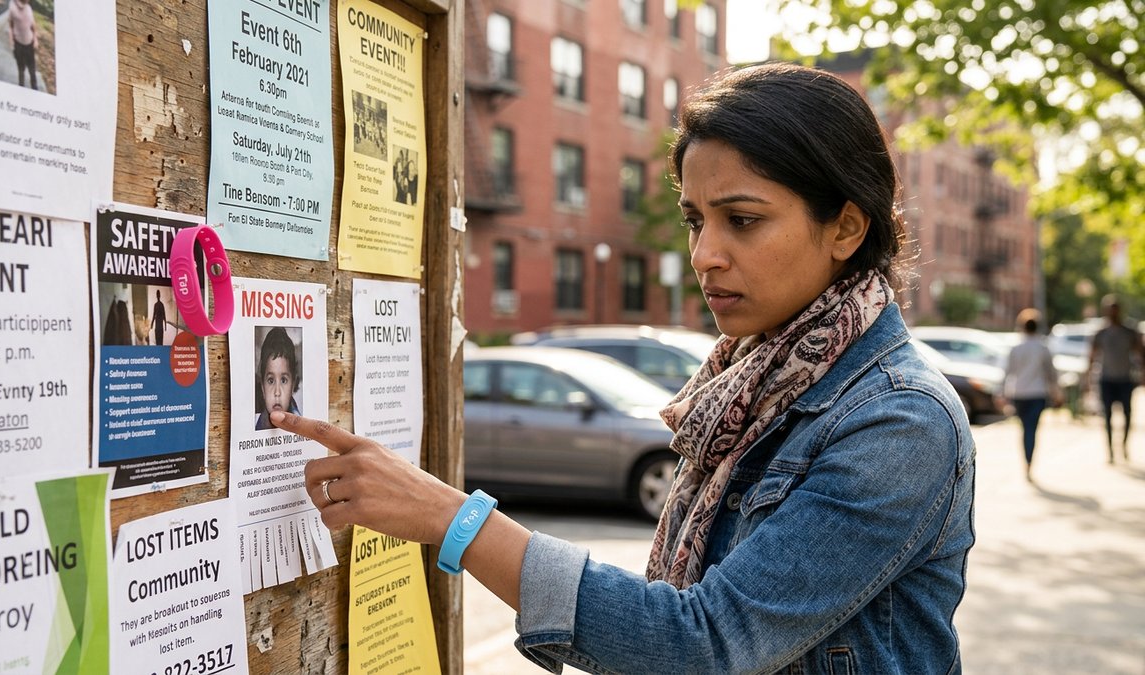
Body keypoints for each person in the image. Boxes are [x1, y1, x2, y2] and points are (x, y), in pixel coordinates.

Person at [272, 63, 976, 673]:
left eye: (744, 220)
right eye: (696, 218)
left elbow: (704, 645)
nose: (704, 254)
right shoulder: (754, 381)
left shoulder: (898, 418)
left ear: (847, 228)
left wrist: (454, 519)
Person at [1001, 308, 1061, 481]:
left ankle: (1026, 462)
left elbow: (1007, 372)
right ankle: (1029, 462)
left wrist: (1002, 393)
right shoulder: (1043, 348)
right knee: (1031, 429)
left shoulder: (1016, 348)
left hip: (1019, 393)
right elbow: (1051, 374)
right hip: (1037, 393)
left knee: (1024, 429)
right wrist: (1056, 392)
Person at [1087, 294, 1145, 462]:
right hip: (1107, 379)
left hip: (1125, 379)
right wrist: (1088, 379)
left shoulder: (1129, 331)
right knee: (1107, 416)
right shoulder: (1101, 333)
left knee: (1127, 414)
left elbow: (1141, 353)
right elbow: (1091, 356)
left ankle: (1124, 445)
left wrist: (1142, 373)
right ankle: (1111, 450)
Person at [255, 327, 302, 431]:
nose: (277, 392)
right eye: (271, 381)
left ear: (293, 385)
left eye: (284, 380)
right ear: (262, 387)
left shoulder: (303, 427)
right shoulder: (253, 424)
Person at [7, 0, 39, 91]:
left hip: (29, 44)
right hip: (18, 45)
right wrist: (11, 43)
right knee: (21, 70)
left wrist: (35, 39)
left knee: (32, 70)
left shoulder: (29, 8)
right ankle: (21, 89)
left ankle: (35, 89)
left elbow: (33, 26)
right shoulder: (12, 8)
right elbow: (10, 26)